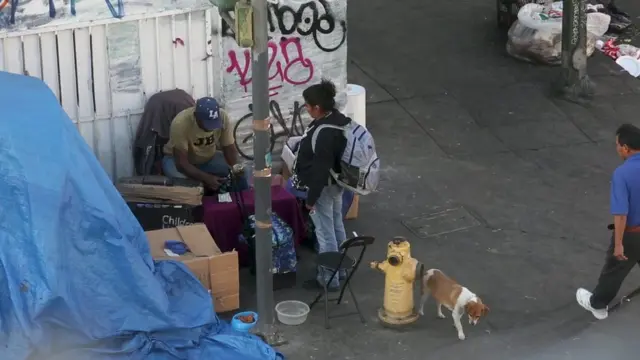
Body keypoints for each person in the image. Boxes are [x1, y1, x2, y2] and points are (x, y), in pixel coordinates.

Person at [576, 123, 640, 320]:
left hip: (631, 234)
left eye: (617, 145)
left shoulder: (622, 174)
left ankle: (598, 304)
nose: (617, 148)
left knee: (614, 270)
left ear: (626, 148)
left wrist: (619, 244)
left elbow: (621, 214)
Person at [294, 79, 349, 291]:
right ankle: (341, 271)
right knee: (336, 226)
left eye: (307, 106)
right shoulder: (338, 120)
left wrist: (311, 199)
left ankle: (328, 280)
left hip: (322, 188)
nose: (306, 109)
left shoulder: (324, 132)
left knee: (325, 235)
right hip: (336, 184)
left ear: (317, 107)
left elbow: (320, 169)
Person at [162, 97, 249, 191]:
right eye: (207, 123)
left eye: (214, 123)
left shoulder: (223, 117)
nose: (211, 128)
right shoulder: (180, 123)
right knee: (186, 185)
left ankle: (237, 202)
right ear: (196, 116)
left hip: (208, 159)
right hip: (176, 161)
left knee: (243, 172)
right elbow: (181, 164)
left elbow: (229, 147)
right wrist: (206, 178)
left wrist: (235, 169)